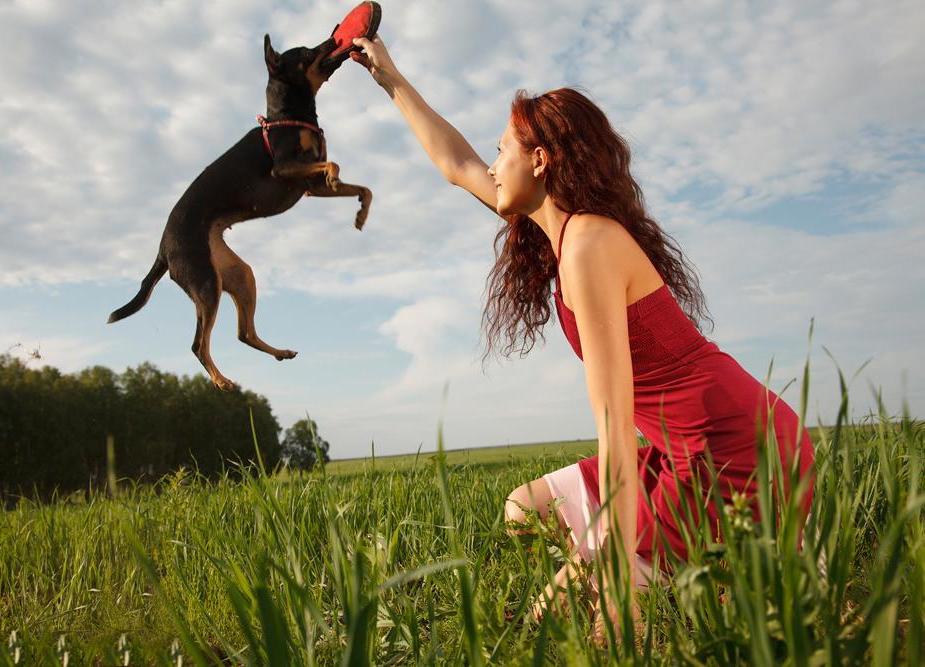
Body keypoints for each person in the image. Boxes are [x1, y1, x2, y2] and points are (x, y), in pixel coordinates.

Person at [350, 35, 816, 639]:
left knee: (579, 629)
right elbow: (454, 165)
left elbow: (615, 426)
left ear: (539, 160)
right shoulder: (567, 234)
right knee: (524, 509)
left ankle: (712, 570)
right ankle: (686, 571)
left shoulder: (590, 245)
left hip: (733, 452)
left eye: (502, 152)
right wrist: (388, 76)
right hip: (676, 448)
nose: (491, 167)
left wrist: (614, 572)